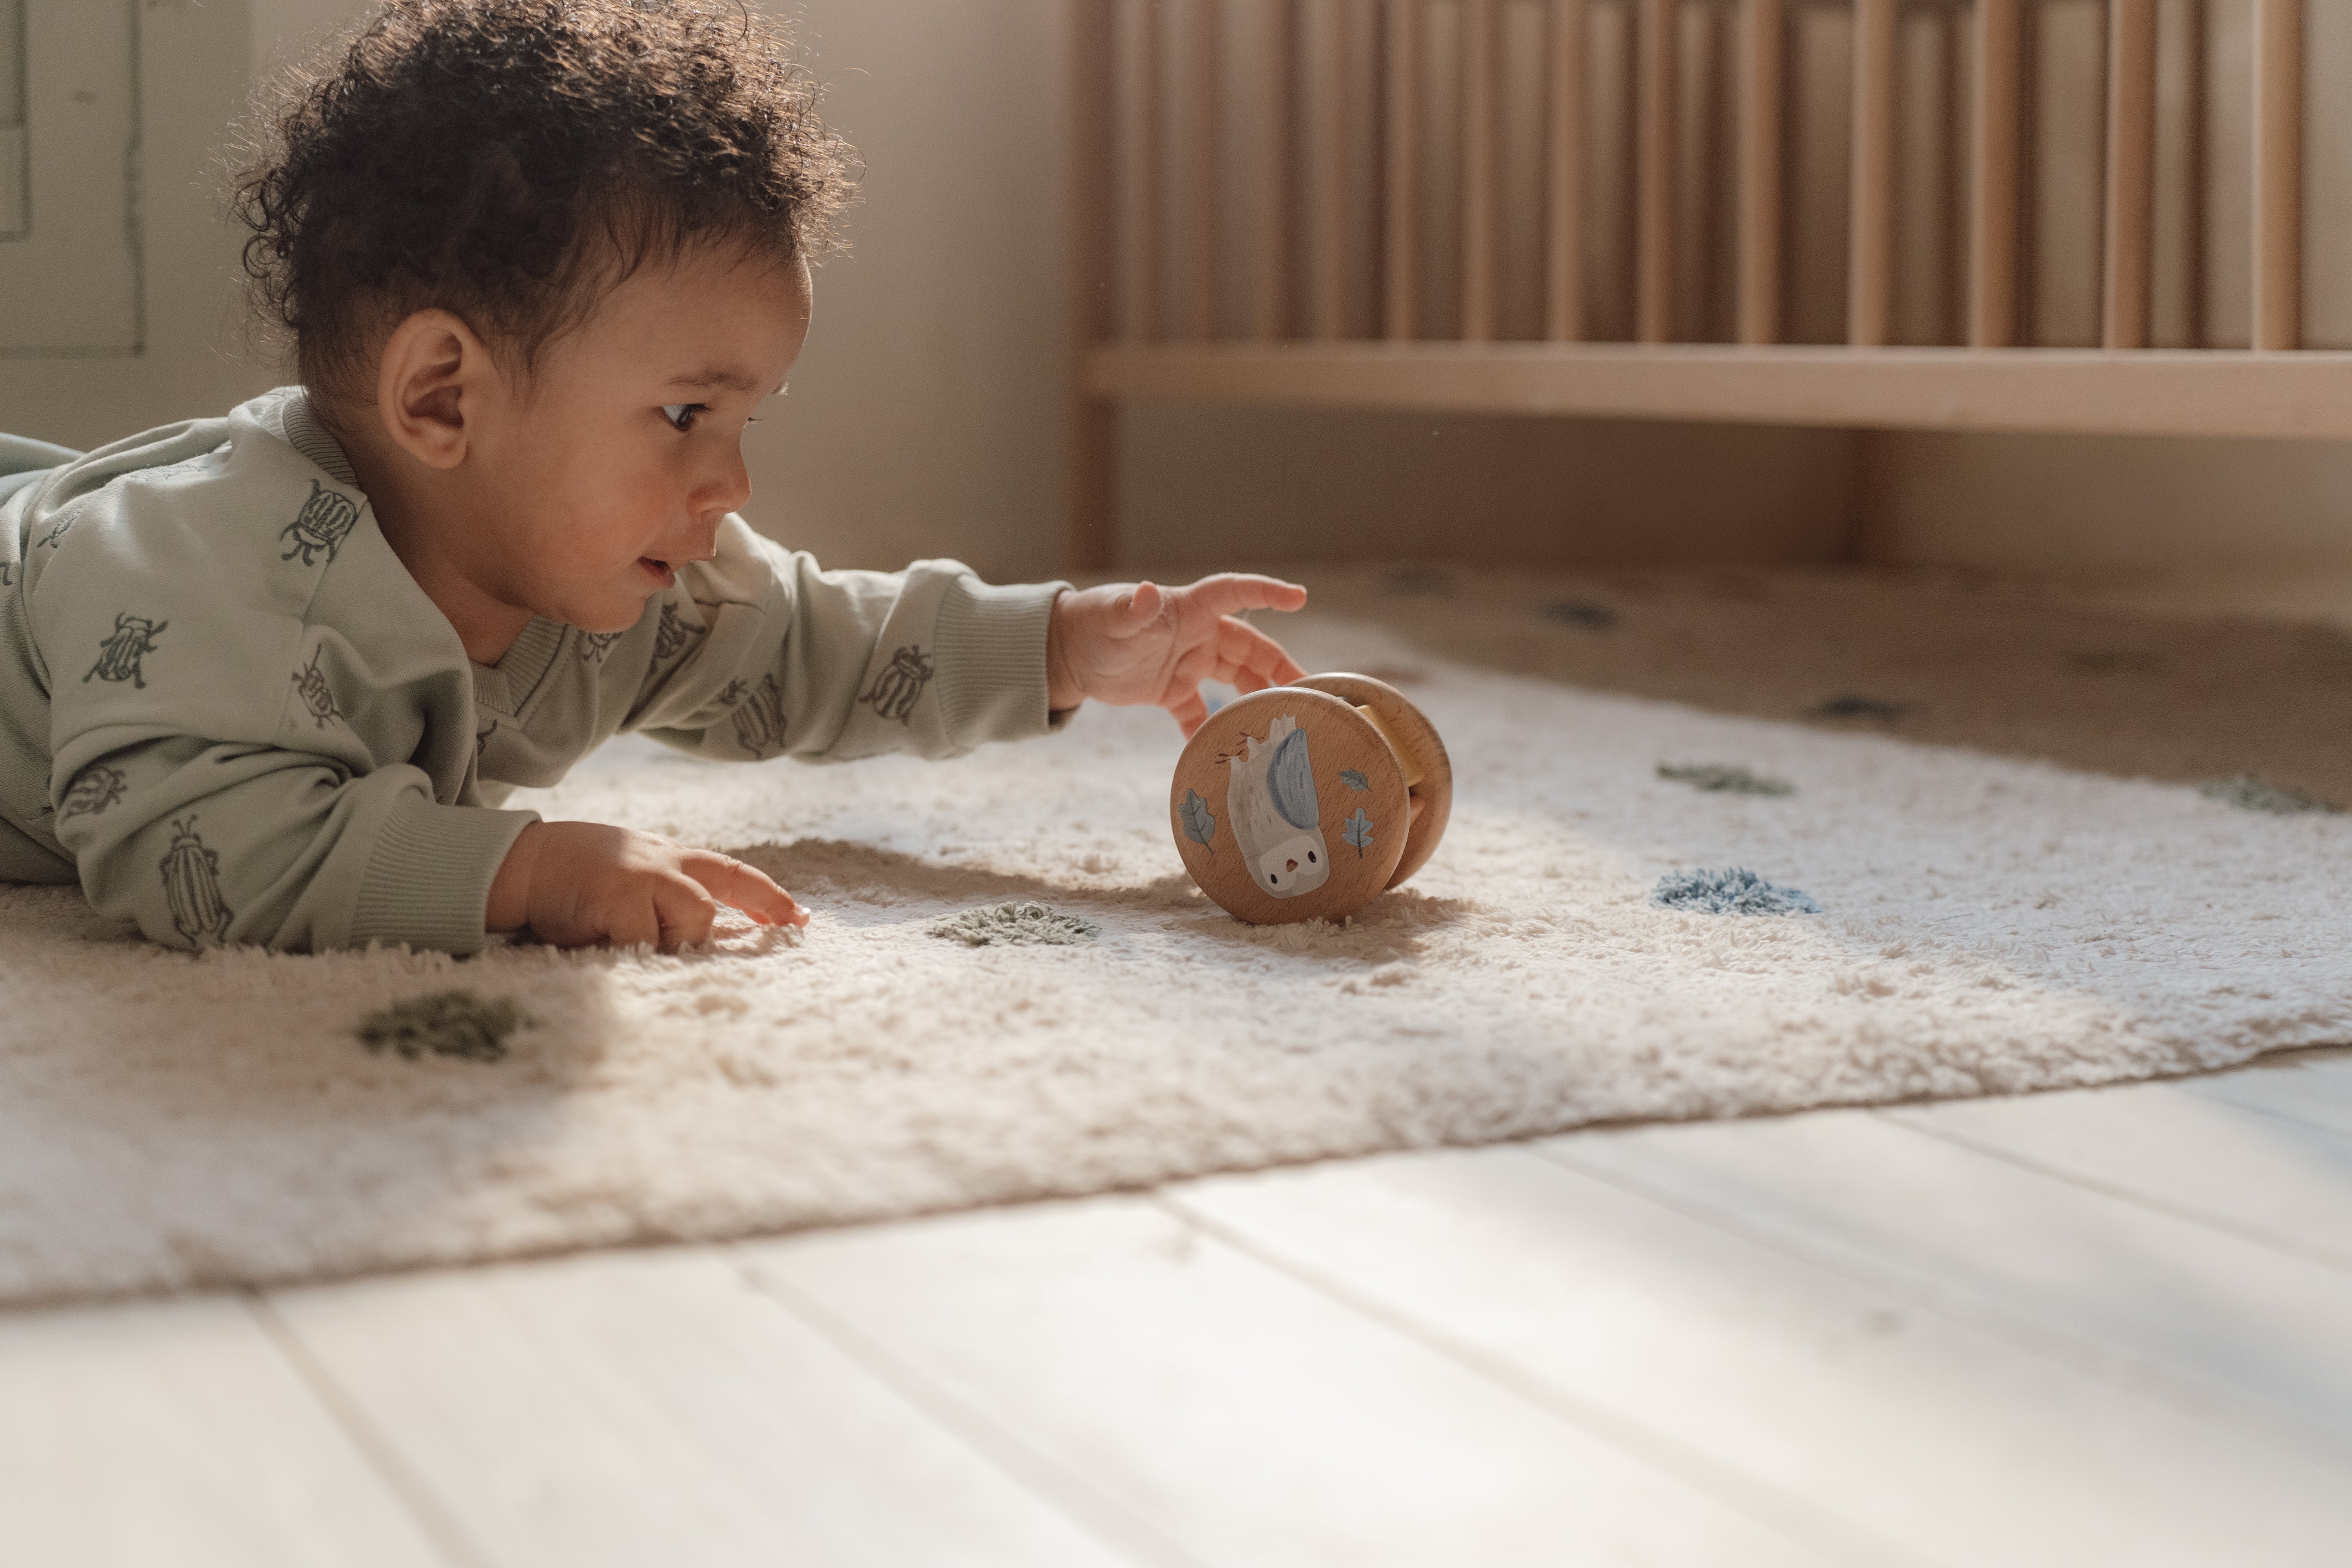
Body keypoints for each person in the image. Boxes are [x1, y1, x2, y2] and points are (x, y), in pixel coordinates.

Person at [0, 0, 1307, 955]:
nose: (728, 481)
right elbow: (196, 854)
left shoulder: (617, 585)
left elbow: (816, 645)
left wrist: (1071, 647)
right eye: (685, 413)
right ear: (444, 399)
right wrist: (527, 870)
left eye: (740, 418)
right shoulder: (201, 575)